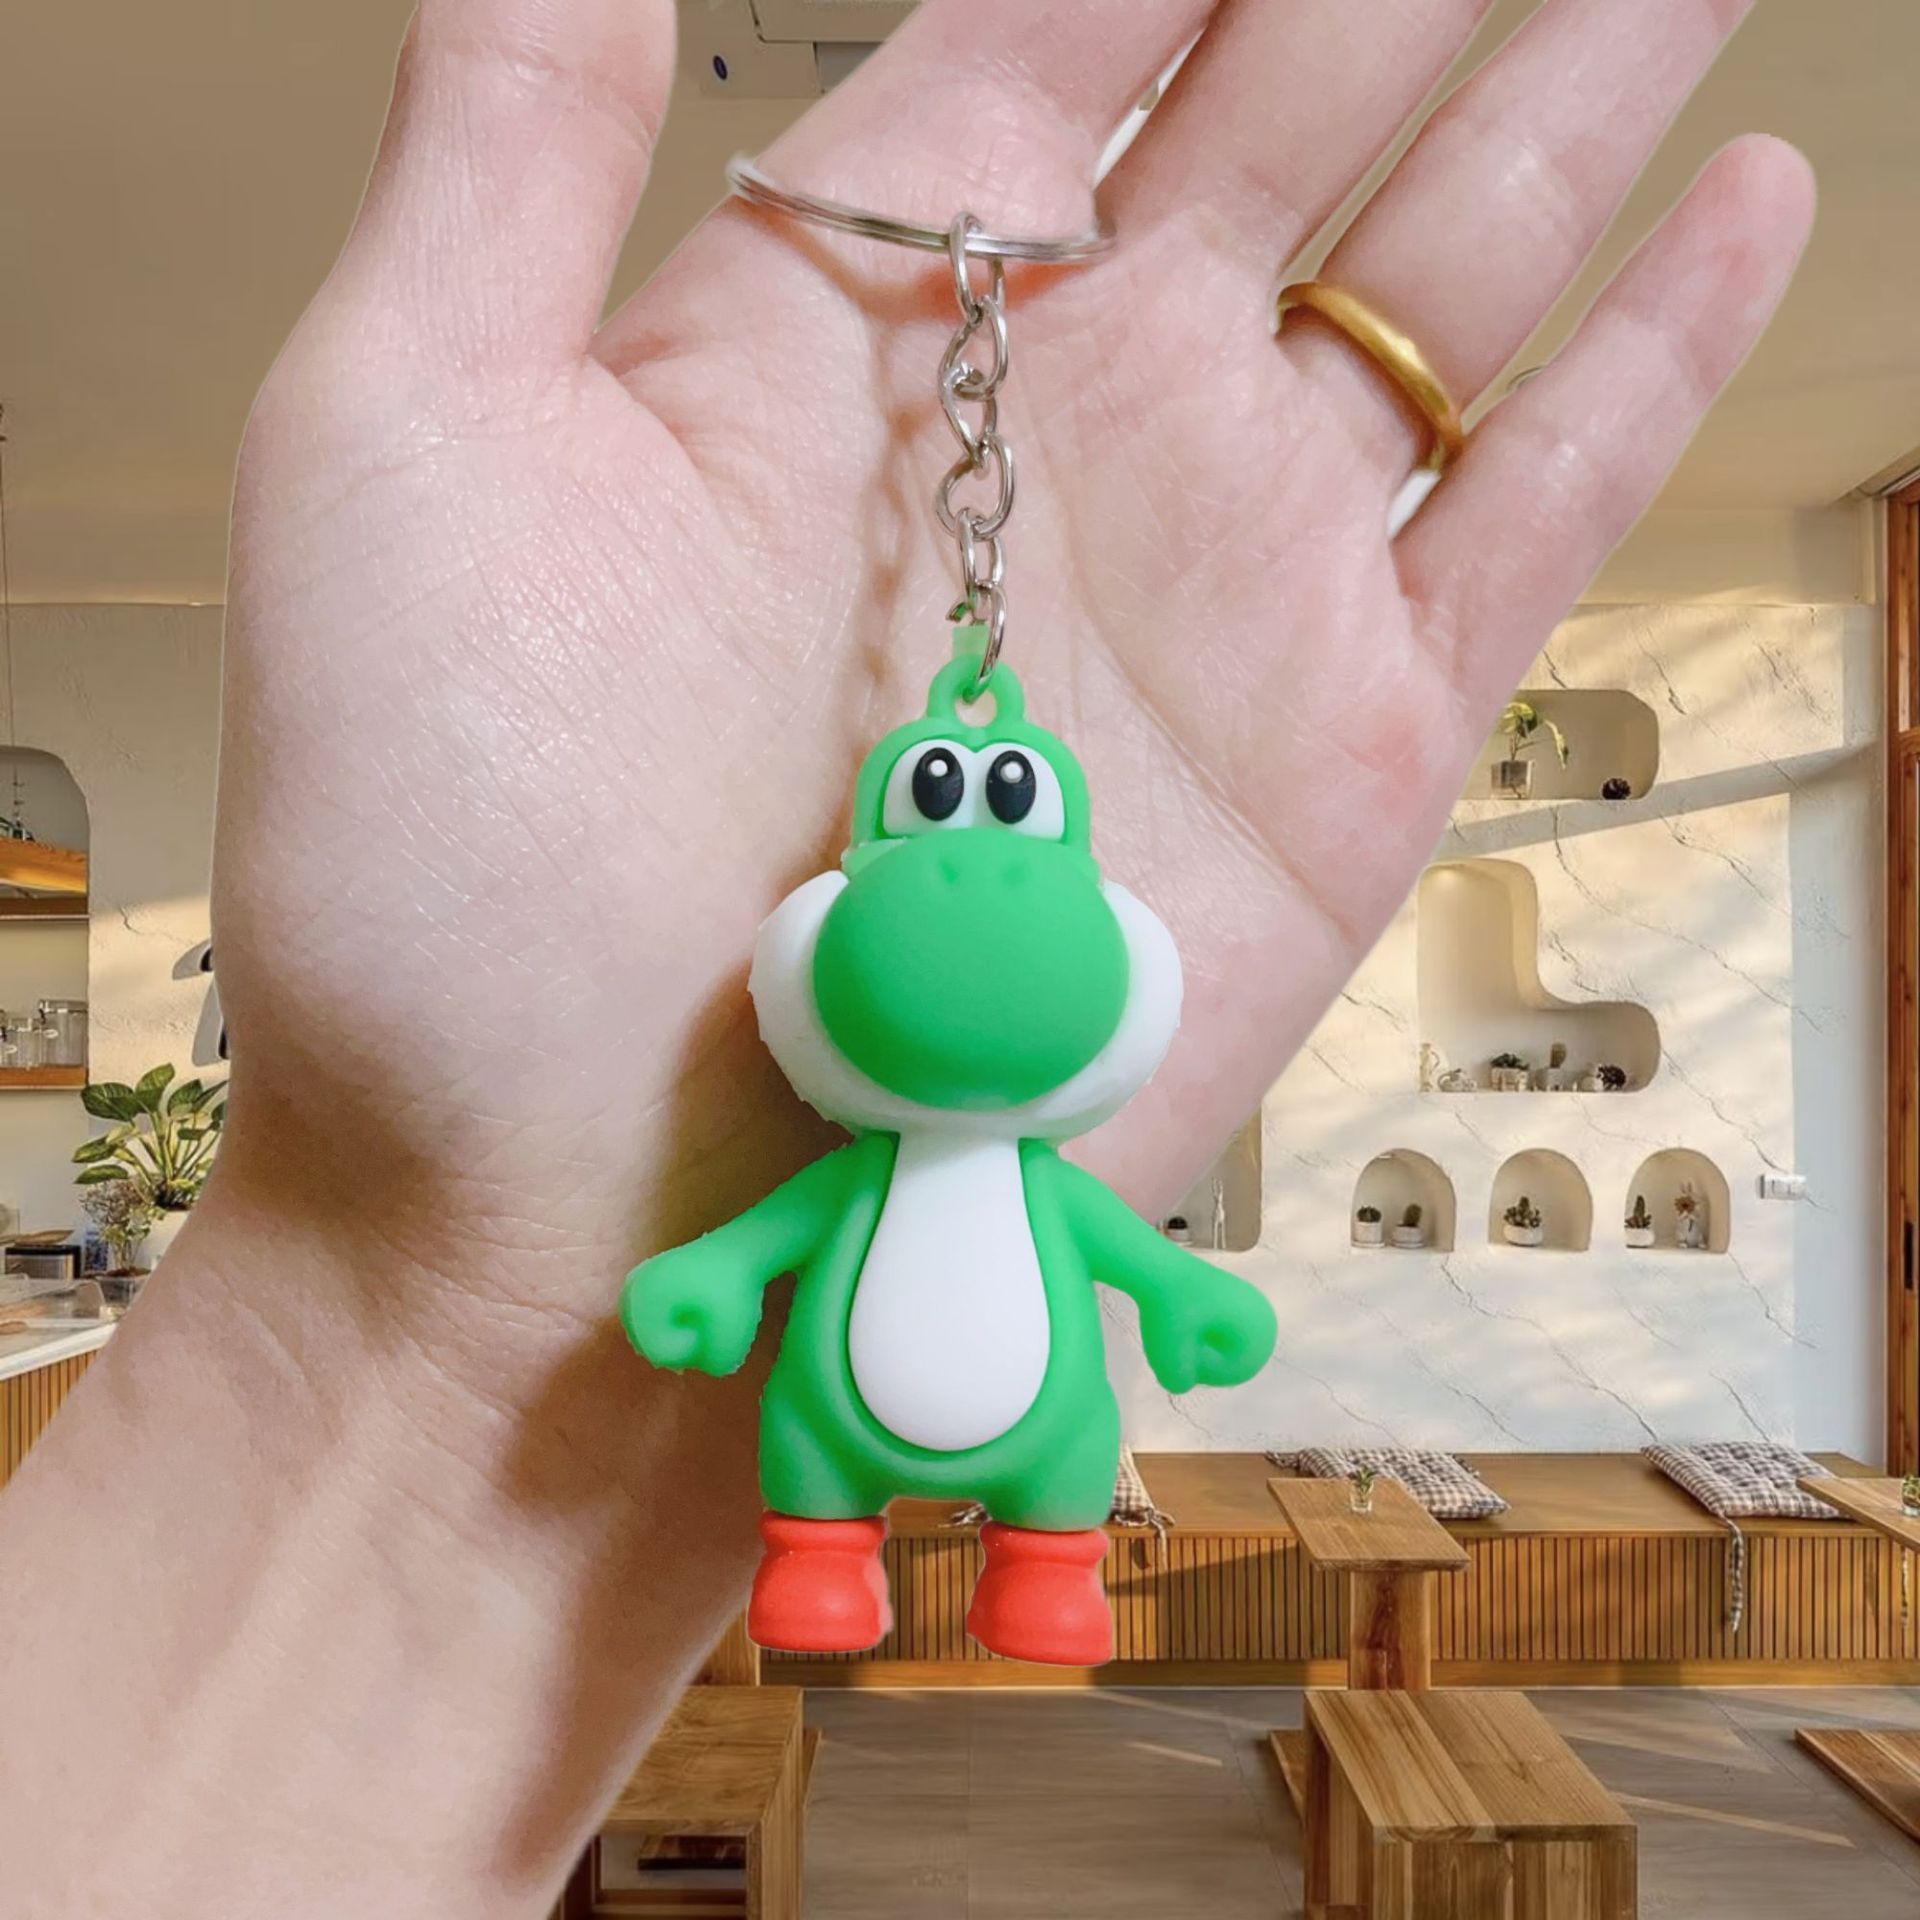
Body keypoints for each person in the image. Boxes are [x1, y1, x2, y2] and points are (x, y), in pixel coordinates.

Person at [0, 0, 1811, 1913]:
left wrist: (1173, 1303)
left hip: (976, 1402)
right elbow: (784, 1235)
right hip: (836, 1410)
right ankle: (828, 1557)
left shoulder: (997, 1149)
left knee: (1045, 1460)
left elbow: (1098, 1246)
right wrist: (634, 1283)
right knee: (843, 1455)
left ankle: (1047, 1569)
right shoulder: (882, 1129)